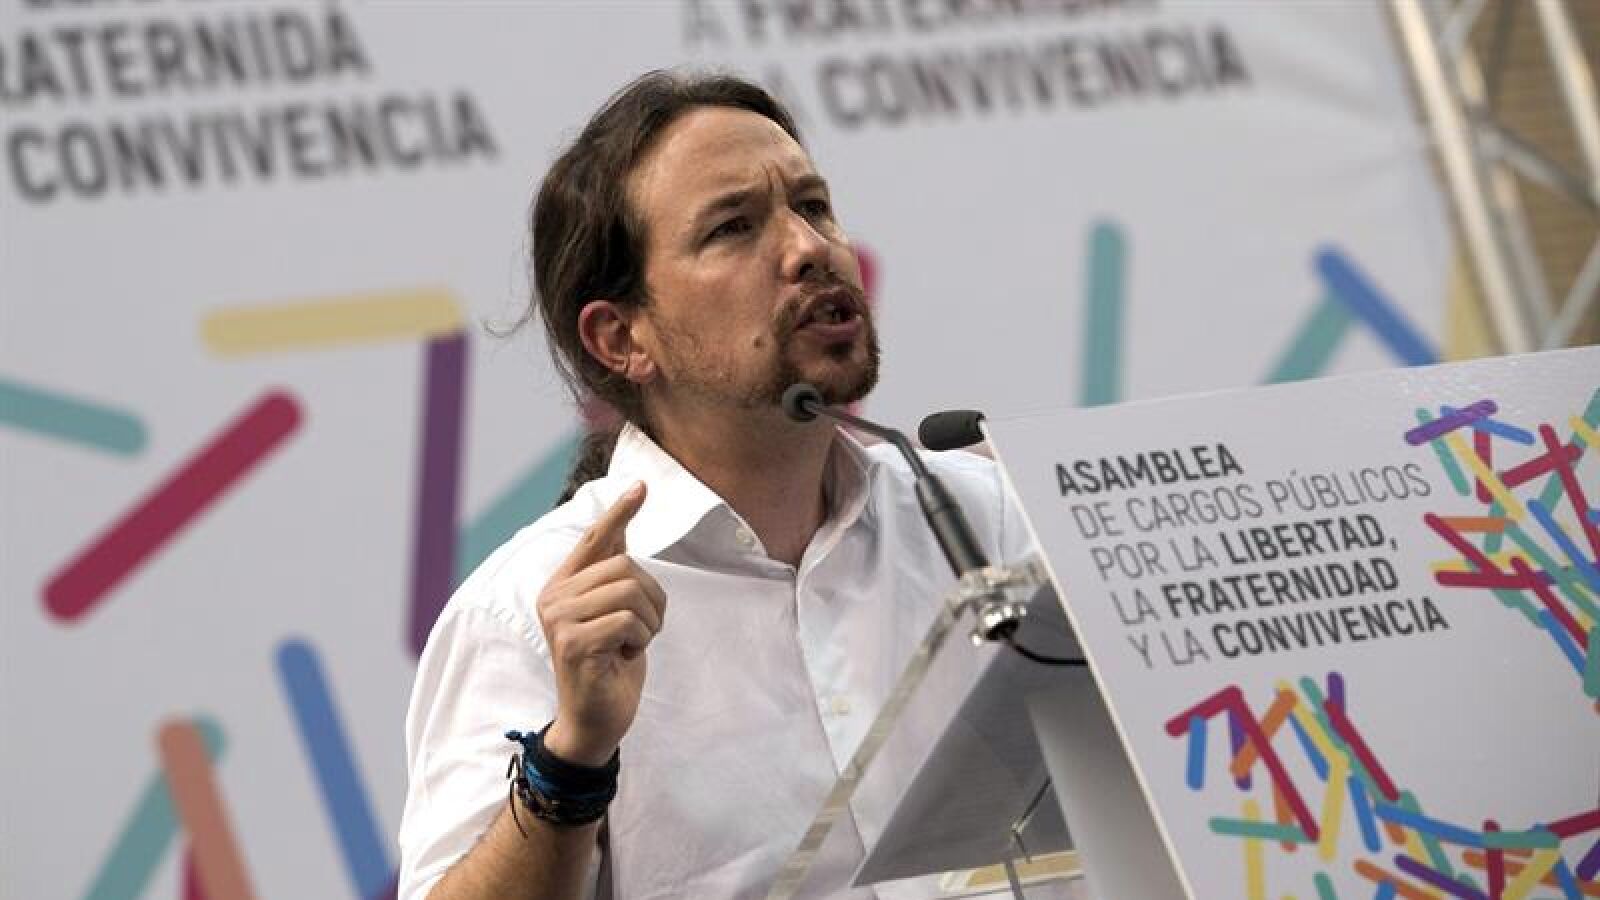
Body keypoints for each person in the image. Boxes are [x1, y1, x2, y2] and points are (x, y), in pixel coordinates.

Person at [398, 70, 1031, 900]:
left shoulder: (993, 524)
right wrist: (571, 757)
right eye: (733, 228)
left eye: (812, 205)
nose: (809, 248)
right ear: (622, 338)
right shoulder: (526, 614)